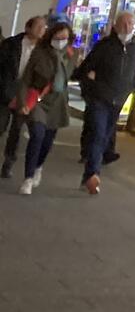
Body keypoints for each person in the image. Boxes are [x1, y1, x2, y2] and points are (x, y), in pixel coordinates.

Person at [75, 9, 135, 193]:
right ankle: (92, 175)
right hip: (100, 98)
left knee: (105, 135)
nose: (127, 27)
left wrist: (133, 86)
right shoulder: (104, 45)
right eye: (124, 23)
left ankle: (88, 175)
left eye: (130, 24)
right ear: (115, 26)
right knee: (98, 133)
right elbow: (85, 69)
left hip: (119, 99)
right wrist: (92, 88)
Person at [16, 18, 74, 194]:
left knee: (48, 140)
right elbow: (26, 79)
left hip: (58, 103)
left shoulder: (70, 55)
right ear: (51, 37)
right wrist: (23, 102)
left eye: (65, 38)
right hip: (39, 101)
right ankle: (28, 178)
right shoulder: (39, 53)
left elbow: (71, 75)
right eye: (58, 38)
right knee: (38, 135)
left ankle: (39, 166)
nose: (61, 41)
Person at [0, 15, 45, 181]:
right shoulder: (11, 44)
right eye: (38, 26)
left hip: (25, 95)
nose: (42, 30)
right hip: (5, 92)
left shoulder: (43, 50)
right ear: (28, 28)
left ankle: (8, 163)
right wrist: (8, 93)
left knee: (16, 131)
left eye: (44, 27)